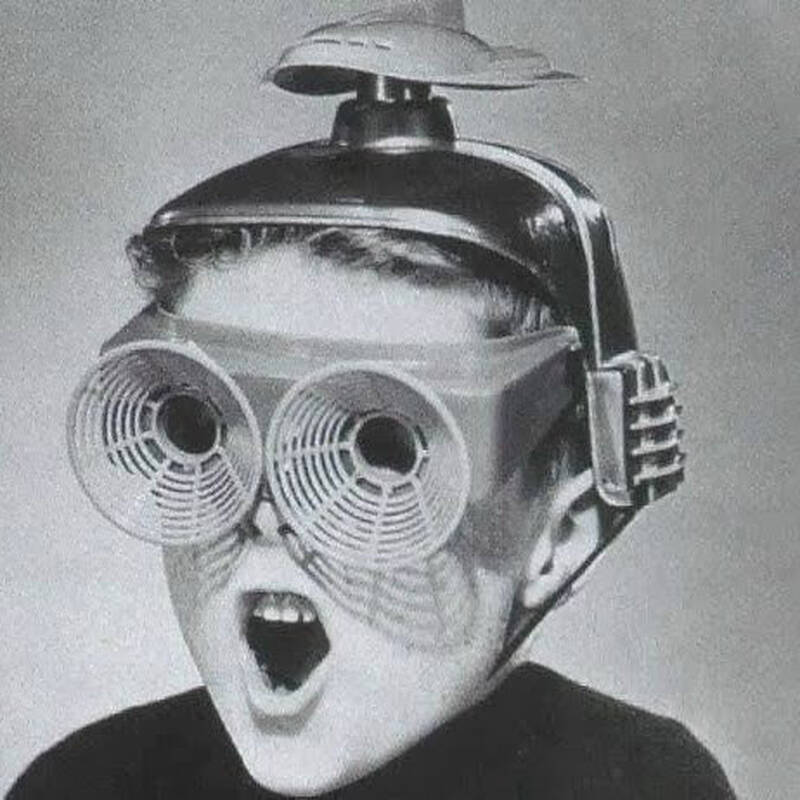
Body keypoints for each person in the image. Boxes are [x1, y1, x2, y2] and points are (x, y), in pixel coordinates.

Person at [8, 4, 736, 799]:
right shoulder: (89, 784)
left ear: (557, 540)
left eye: (377, 451)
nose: (267, 515)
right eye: (199, 430)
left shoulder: (638, 785)